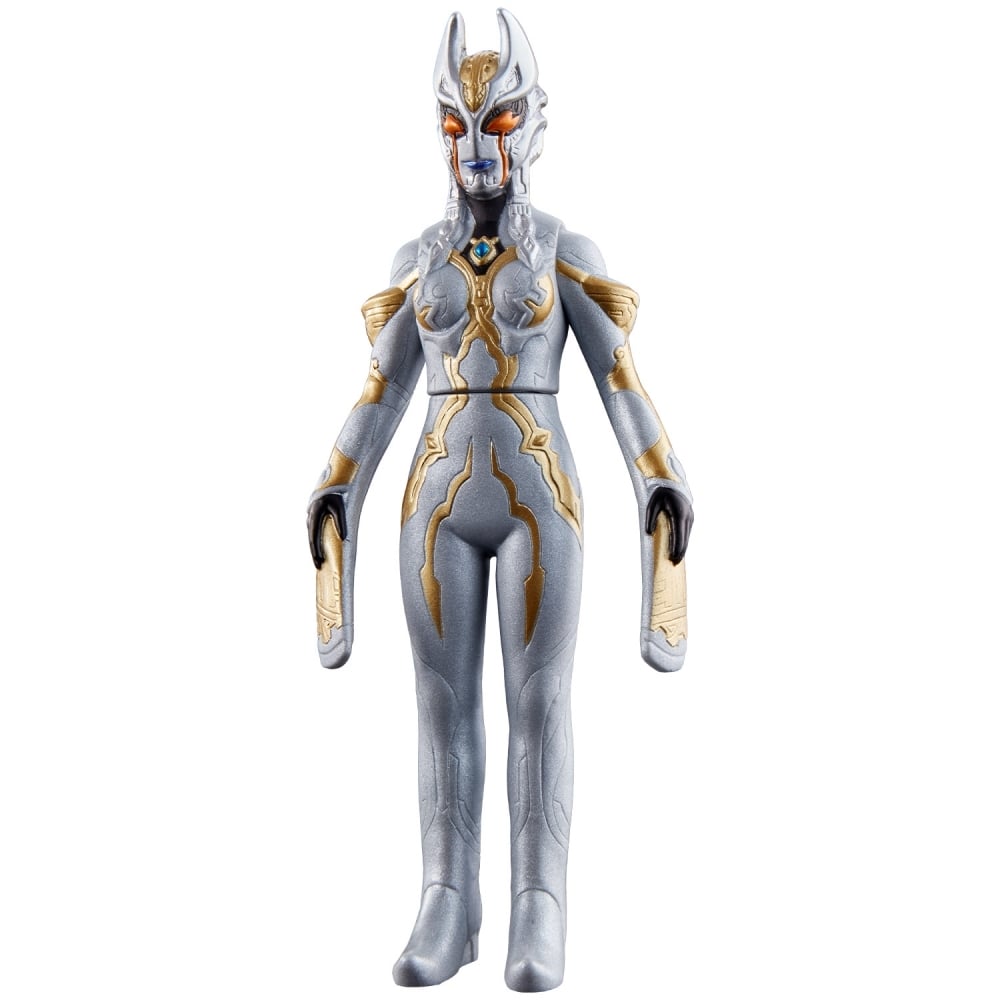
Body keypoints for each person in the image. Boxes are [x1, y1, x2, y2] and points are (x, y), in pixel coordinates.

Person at [307, 9, 693, 991]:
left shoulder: (562, 249)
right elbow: (381, 388)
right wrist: (338, 479)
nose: (478, 146)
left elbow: (620, 378)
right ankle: (447, 897)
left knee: (539, 699)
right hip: (433, 499)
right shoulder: (416, 260)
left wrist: (658, 472)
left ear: (533, 124)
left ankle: (538, 904)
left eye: (499, 123)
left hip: (538, 494)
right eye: (457, 127)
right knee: (439, 703)